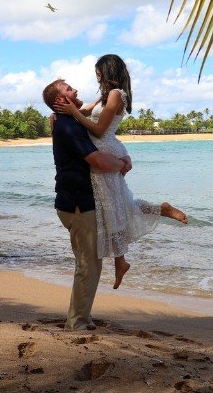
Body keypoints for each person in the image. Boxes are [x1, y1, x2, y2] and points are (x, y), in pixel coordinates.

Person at [53, 54, 187, 290]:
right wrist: (64, 112)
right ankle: (121, 260)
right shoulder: (104, 95)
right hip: (103, 150)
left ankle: (159, 212)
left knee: (114, 207)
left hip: (106, 150)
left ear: (108, 70)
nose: (96, 75)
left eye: (98, 71)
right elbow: (85, 113)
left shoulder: (116, 94)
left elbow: (99, 128)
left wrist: (73, 113)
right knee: (114, 207)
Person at [43, 78, 132, 331]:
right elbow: (99, 162)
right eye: (69, 89)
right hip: (77, 204)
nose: (76, 89)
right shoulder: (69, 127)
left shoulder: (70, 121)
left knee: (90, 263)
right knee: (88, 264)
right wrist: (123, 164)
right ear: (61, 100)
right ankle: (77, 323)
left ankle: (81, 316)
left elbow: (95, 112)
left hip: (76, 201)